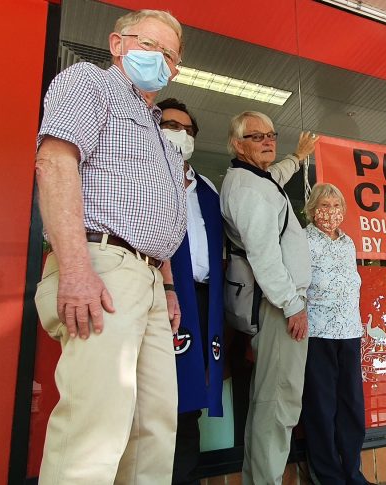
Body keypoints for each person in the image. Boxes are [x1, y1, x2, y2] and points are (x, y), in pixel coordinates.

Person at [33, 9, 186, 484]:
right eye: (149, 45)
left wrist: (169, 287)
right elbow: (55, 162)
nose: (158, 59)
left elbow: (154, 216)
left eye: (169, 55)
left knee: (153, 430)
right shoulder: (90, 82)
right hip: (103, 264)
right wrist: (77, 269)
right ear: (117, 44)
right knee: (94, 429)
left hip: (148, 280)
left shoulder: (158, 128)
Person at [219, 111, 316, 484]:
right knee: (278, 403)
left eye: (271, 135)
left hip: (277, 303)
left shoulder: (254, 180)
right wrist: (293, 305)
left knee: (273, 403)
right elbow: (264, 255)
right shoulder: (248, 190)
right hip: (277, 306)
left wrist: (298, 156)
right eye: (257, 137)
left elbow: (275, 177)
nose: (267, 141)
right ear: (237, 144)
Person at [157, 98, 225, 485]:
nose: (181, 134)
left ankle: (186, 477)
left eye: (188, 129)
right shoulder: (147, 175)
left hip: (202, 300)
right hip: (164, 295)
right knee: (162, 397)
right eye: (171, 125)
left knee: (192, 397)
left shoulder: (206, 187)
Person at [300, 183, 373, 485]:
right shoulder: (302, 239)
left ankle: (352, 473)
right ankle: (330, 477)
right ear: (312, 208)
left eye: (336, 206)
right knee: (322, 408)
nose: (331, 212)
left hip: (349, 333)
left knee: (352, 406)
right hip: (318, 333)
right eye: (324, 205)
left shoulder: (347, 243)